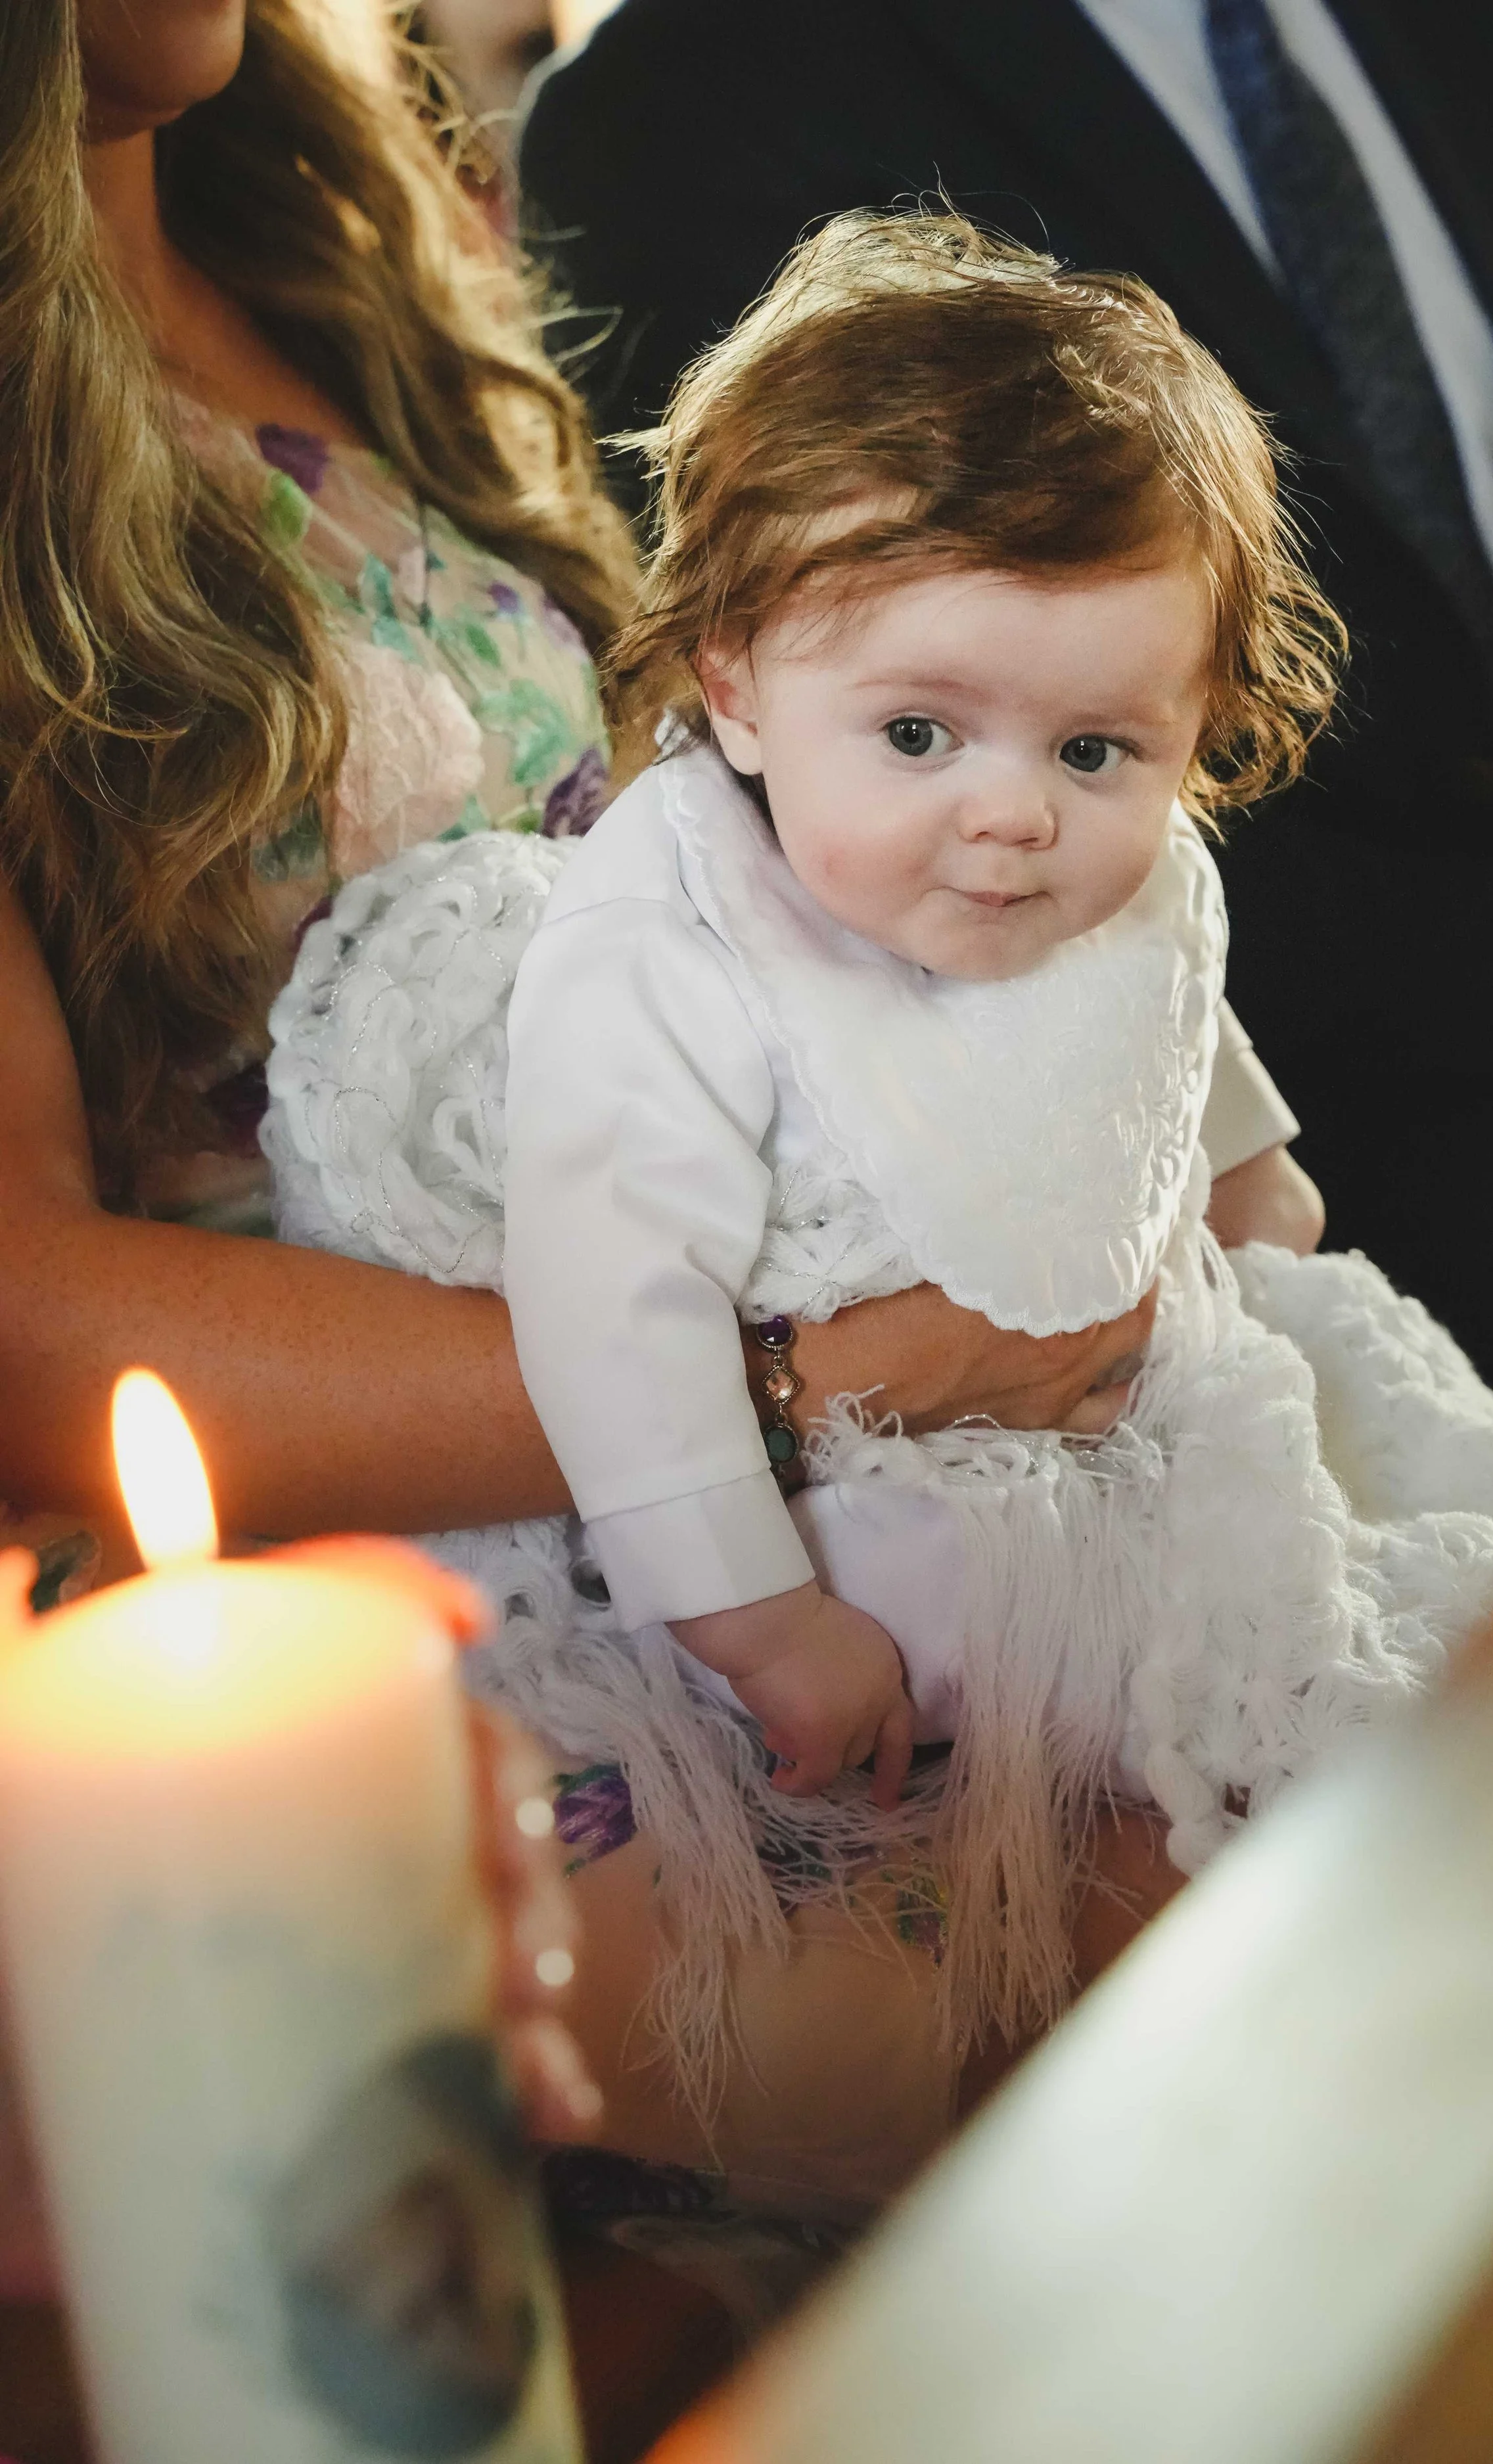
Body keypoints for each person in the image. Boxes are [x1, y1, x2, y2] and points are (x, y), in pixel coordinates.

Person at [0, 0, 1229, 2229]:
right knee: (1117, 2006)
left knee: (1346, 1801)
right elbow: (25, 1315)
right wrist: (795, 1399)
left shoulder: (328, 236)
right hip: (400, 1551)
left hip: (786, 1334)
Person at [264, 214, 1493, 2111]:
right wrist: (757, 1613)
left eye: (1101, 751)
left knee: (1464, 1715)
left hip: (1137, 1437)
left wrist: (1244, 1197)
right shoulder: (672, 934)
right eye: (913, 731)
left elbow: (1155, 1017)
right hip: (839, 1545)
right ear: (730, 684)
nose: (1010, 818)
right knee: (1191, 1939)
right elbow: (610, 1299)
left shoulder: (1111, 858)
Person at [519, 0, 1493, 1477]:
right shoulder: (704, 92)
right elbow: (926, 758)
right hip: (1385, 1103)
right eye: (932, 732)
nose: (1009, 801)